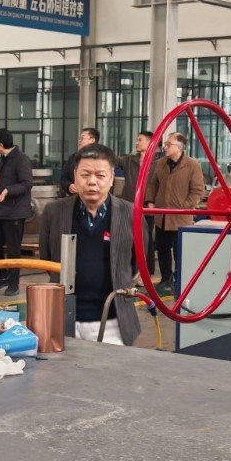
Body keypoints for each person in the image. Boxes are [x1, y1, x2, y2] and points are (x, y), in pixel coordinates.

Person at [39, 145, 143, 346]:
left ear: (111, 178)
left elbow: (137, 262)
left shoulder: (131, 214)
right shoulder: (54, 212)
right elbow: (47, 259)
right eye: (85, 175)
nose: (92, 182)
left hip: (114, 323)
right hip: (61, 321)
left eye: (100, 175)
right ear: (75, 176)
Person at [144, 131, 206, 292]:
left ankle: (180, 281)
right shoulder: (161, 163)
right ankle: (166, 279)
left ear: (179, 147)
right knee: (162, 249)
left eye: (168, 144)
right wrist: (150, 201)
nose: (165, 147)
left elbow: (198, 191)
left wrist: (184, 206)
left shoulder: (192, 165)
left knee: (180, 251)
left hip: (181, 218)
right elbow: (153, 184)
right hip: (162, 217)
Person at [0, 128, 33, 292]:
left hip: (15, 213)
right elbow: (4, 183)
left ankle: (14, 284)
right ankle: (3, 277)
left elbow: (26, 184)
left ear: (0, 144)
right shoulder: (4, 160)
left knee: (13, 250)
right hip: (2, 212)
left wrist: (8, 191)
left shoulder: (21, 159)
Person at [57, 127, 99, 195]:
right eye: (79, 139)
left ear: (92, 140)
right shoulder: (73, 158)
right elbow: (63, 177)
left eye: (82, 138)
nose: (79, 141)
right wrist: (69, 185)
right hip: (74, 198)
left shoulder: (101, 159)